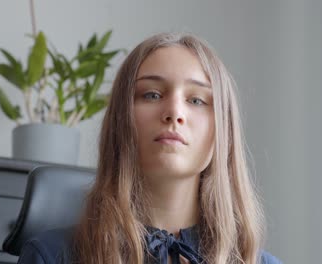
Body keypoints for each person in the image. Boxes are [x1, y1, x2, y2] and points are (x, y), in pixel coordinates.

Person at [17, 32, 282, 264]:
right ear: (122, 119)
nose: (175, 112)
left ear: (223, 130)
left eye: (197, 100)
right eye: (152, 95)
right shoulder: (51, 256)